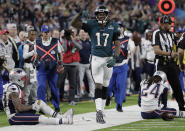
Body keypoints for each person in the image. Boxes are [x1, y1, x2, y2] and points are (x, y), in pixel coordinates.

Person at [72, 5, 120, 124]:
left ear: (107, 15)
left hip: (108, 58)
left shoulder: (113, 25)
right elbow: (74, 23)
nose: (101, 16)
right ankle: (98, 112)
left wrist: (115, 57)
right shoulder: (91, 24)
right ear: (96, 15)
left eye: (103, 14)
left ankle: (101, 111)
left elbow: (117, 44)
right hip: (96, 58)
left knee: (105, 86)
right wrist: (79, 14)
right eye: (99, 14)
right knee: (98, 85)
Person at [2, 68, 73, 125]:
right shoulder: (13, 88)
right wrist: (32, 106)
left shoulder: (13, 86)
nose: (24, 80)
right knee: (40, 117)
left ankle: (60, 116)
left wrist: (34, 105)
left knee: (39, 102)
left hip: (18, 114)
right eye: (23, 78)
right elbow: (19, 108)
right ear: (17, 79)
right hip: (14, 117)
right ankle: (64, 121)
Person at [152, 15, 185, 111]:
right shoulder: (156, 33)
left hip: (171, 63)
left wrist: (180, 37)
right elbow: (156, 50)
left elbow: (178, 45)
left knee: (177, 86)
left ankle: (181, 107)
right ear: (163, 24)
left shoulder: (171, 34)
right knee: (158, 84)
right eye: (169, 23)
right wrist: (170, 53)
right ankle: (158, 105)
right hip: (161, 62)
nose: (170, 25)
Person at [106, 22, 135, 112]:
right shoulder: (109, 39)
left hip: (122, 65)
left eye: (120, 27)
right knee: (109, 86)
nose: (119, 28)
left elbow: (132, 51)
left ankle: (119, 105)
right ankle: (108, 97)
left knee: (120, 85)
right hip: (111, 66)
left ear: (123, 29)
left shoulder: (128, 40)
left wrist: (127, 59)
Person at [36, 25, 63, 112]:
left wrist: (61, 63)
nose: (47, 34)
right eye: (45, 32)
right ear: (41, 33)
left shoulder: (55, 41)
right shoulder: (37, 42)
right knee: (41, 86)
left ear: (50, 33)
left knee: (54, 87)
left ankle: (57, 106)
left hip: (53, 68)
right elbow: (35, 54)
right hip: (42, 68)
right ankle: (41, 107)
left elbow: (60, 53)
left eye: (48, 32)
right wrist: (35, 61)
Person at [78, 29, 95, 98]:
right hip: (80, 63)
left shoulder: (89, 42)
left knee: (91, 79)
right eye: (81, 32)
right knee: (80, 79)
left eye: (84, 32)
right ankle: (80, 93)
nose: (83, 34)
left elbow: (92, 53)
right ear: (79, 34)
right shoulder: (78, 42)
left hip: (88, 64)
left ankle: (92, 93)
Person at [23, 28, 37, 105]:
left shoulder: (36, 44)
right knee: (28, 85)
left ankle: (34, 101)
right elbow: (24, 56)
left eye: (34, 34)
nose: (33, 36)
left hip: (34, 66)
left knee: (35, 84)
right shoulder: (26, 44)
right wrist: (32, 52)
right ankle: (25, 101)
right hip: (28, 66)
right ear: (28, 35)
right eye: (32, 34)